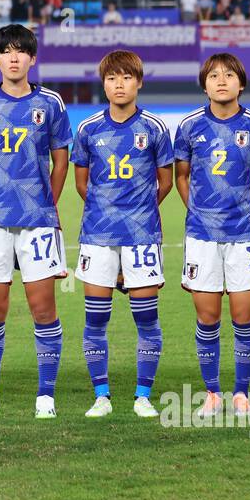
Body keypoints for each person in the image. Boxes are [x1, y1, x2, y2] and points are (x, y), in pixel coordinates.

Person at [0, 24, 72, 419]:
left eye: (21, 51)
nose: (14, 57)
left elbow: (61, 161)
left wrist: (47, 203)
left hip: (38, 221)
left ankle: (46, 397)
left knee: (43, 309)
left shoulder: (53, 104)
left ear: (32, 58)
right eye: (6, 52)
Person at [72, 50, 173, 419]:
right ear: (104, 83)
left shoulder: (155, 129)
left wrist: (136, 214)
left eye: (126, 77)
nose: (119, 84)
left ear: (139, 82)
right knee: (95, 319)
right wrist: (108, 212)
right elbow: (82, 184)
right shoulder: (88, 130)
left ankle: (142, 395)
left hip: (142, 236)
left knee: (146, 318)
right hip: (97, 236)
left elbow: (165, 183)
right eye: (112, 78)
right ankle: (101, 395)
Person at [174, 53, 250, 419]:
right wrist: (198, 210)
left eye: (229, 75)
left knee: (244, 316)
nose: (221, 80)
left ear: (241, 83)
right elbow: (181, 175)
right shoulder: (189, 127)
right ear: (204, 84)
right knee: (208, 316)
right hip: (202, 236)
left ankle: (242, 393)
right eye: (213, 75)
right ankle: (212, 393)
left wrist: (246, 209)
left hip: (244, 235)